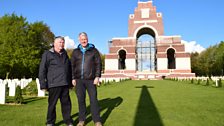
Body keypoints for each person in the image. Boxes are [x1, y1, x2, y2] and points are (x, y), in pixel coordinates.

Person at [39, 36, 74, 126]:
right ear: (54, 43)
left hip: (65, 84)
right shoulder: (47, 54)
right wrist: (43, 84)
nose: (61, 44)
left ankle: (68, 121)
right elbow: (42, 69)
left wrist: (70, 83)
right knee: (52, 105)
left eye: (63, 42)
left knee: (66, 105)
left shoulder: (65, 54)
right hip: (54, 84)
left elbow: (68, 69)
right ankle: (50, 122)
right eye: (60, 42)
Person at [71, 32, 102, 126]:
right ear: (79, 40)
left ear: (87, 39)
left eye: (85, 39)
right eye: (81, 39)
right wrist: (73, 78)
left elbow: (98, 64)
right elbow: (72, 66)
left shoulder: (94, 50)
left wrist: (97, 77)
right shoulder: (75, 52)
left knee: (93, 100)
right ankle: (81, 120)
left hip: (91, 80)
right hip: (79, 80)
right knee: (81, 100)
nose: (83, 41)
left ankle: (97, 121)